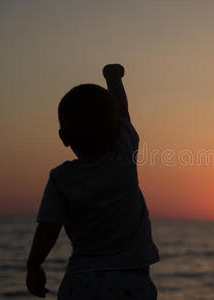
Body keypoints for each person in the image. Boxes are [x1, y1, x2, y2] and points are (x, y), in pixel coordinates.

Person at [26, 64, 160, 299]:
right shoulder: (122, 160)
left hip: (80, 280)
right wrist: (113, 79)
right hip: (130, 280)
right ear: (116, 129)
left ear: (64, 137)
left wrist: (34, 266)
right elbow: (124, 112)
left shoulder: (61, 178)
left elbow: (48, 228)